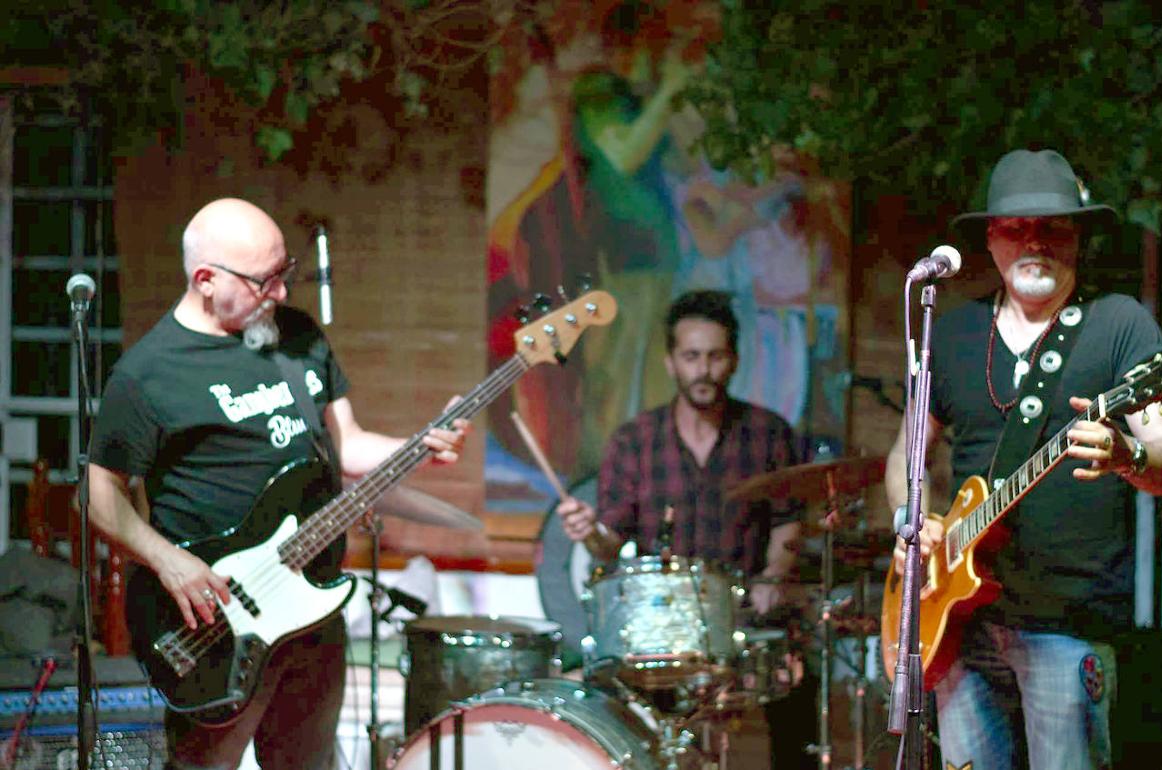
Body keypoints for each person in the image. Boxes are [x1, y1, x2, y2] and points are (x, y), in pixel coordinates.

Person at [86, 198, 469, 770]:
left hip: (312, 607)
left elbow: (349, 444)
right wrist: (167, 562)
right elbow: (97, 494)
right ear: (206, 280)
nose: (282, 293)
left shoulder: (297, 338)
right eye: (265, 281)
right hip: (217, 623)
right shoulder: (147, 374)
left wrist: (421, 444)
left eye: (284, 274)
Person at [886, 149, 1162, 770]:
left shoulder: (1120, 325)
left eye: (1054, 226)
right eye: (1016, 228)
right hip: (958, 621)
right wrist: (913, 523)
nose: (1035, 242)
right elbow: (903, 458)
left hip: (1068, 621)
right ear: (990, 239)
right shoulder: (953, 332)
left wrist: (1126, 453)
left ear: (1078, 235)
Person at [557, 289, 817, 770]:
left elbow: (788, 525)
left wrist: (774, 576)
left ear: (734, 360)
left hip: (747, 617)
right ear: (671, 362)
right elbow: (609, 544)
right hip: (664, 628)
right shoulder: (636, 440)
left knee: (799, 694)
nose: (704, 370)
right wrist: (587, 530)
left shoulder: (768, 433)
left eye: (715, 356)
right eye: (691, 356)